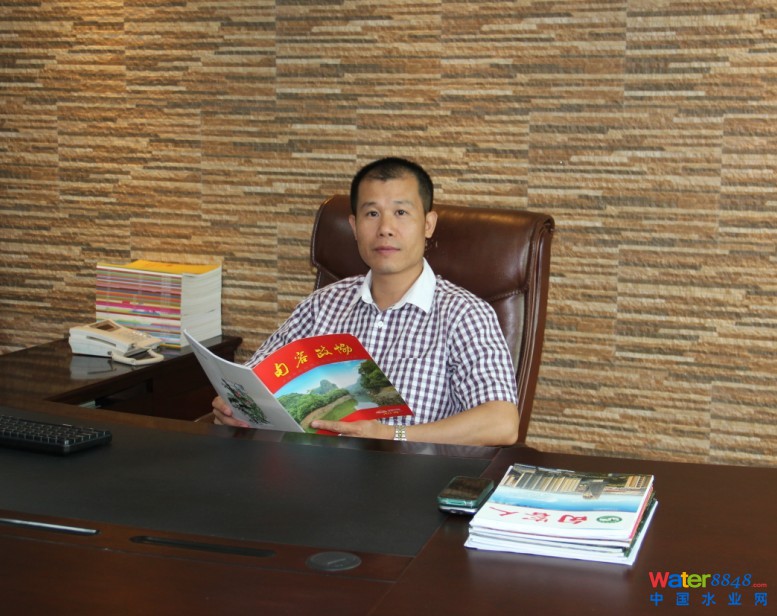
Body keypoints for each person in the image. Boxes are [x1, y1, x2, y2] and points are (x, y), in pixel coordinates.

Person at [213, 157, 520, 446]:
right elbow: (251, 381)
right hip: (313, 471)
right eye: (372, 214)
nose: (385, 228)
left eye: (401, 213)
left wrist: (392, 435)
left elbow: (502, 422)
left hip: (410, 476)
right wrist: (234, 405)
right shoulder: (322, 305)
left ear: (428, 224)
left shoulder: (463, 314)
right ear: (354, 225)